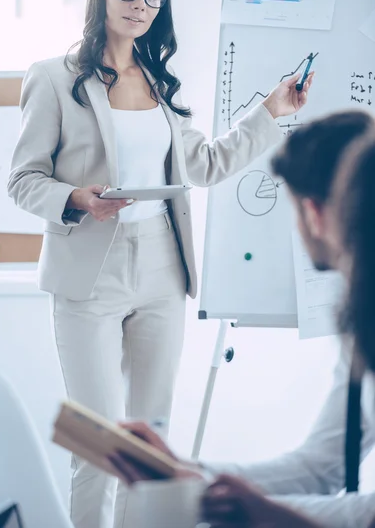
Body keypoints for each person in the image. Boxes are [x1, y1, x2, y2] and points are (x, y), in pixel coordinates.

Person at [7, 0, 312, 528]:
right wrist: (75, 199)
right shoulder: (52, 78)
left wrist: (270, 111)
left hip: (162, 272)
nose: (139, 3)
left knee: (151, 448)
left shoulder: (159, 84)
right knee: (99, 448)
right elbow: (23, 180)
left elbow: (206, 165)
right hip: (88, 272)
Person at [108, 110, 375, 527]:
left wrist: (268, 514)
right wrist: (184, 471)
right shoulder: (361, 320)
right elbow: (324, 467)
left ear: (315, 213)